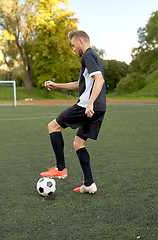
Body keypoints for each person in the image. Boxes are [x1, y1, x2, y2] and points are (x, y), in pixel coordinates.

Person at [40, 30, 106, 194]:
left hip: (87, 106)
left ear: (81, 40)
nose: (73, 49)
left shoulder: (87, 55)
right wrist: (57, 85)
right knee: (78, 143)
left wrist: (89, 102)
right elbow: (80, 83)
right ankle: (89, 184)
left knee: (53, 126)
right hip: (99, 108)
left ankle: (60, 168)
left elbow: (100, 80)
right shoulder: (95, 57)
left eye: (73, 45)